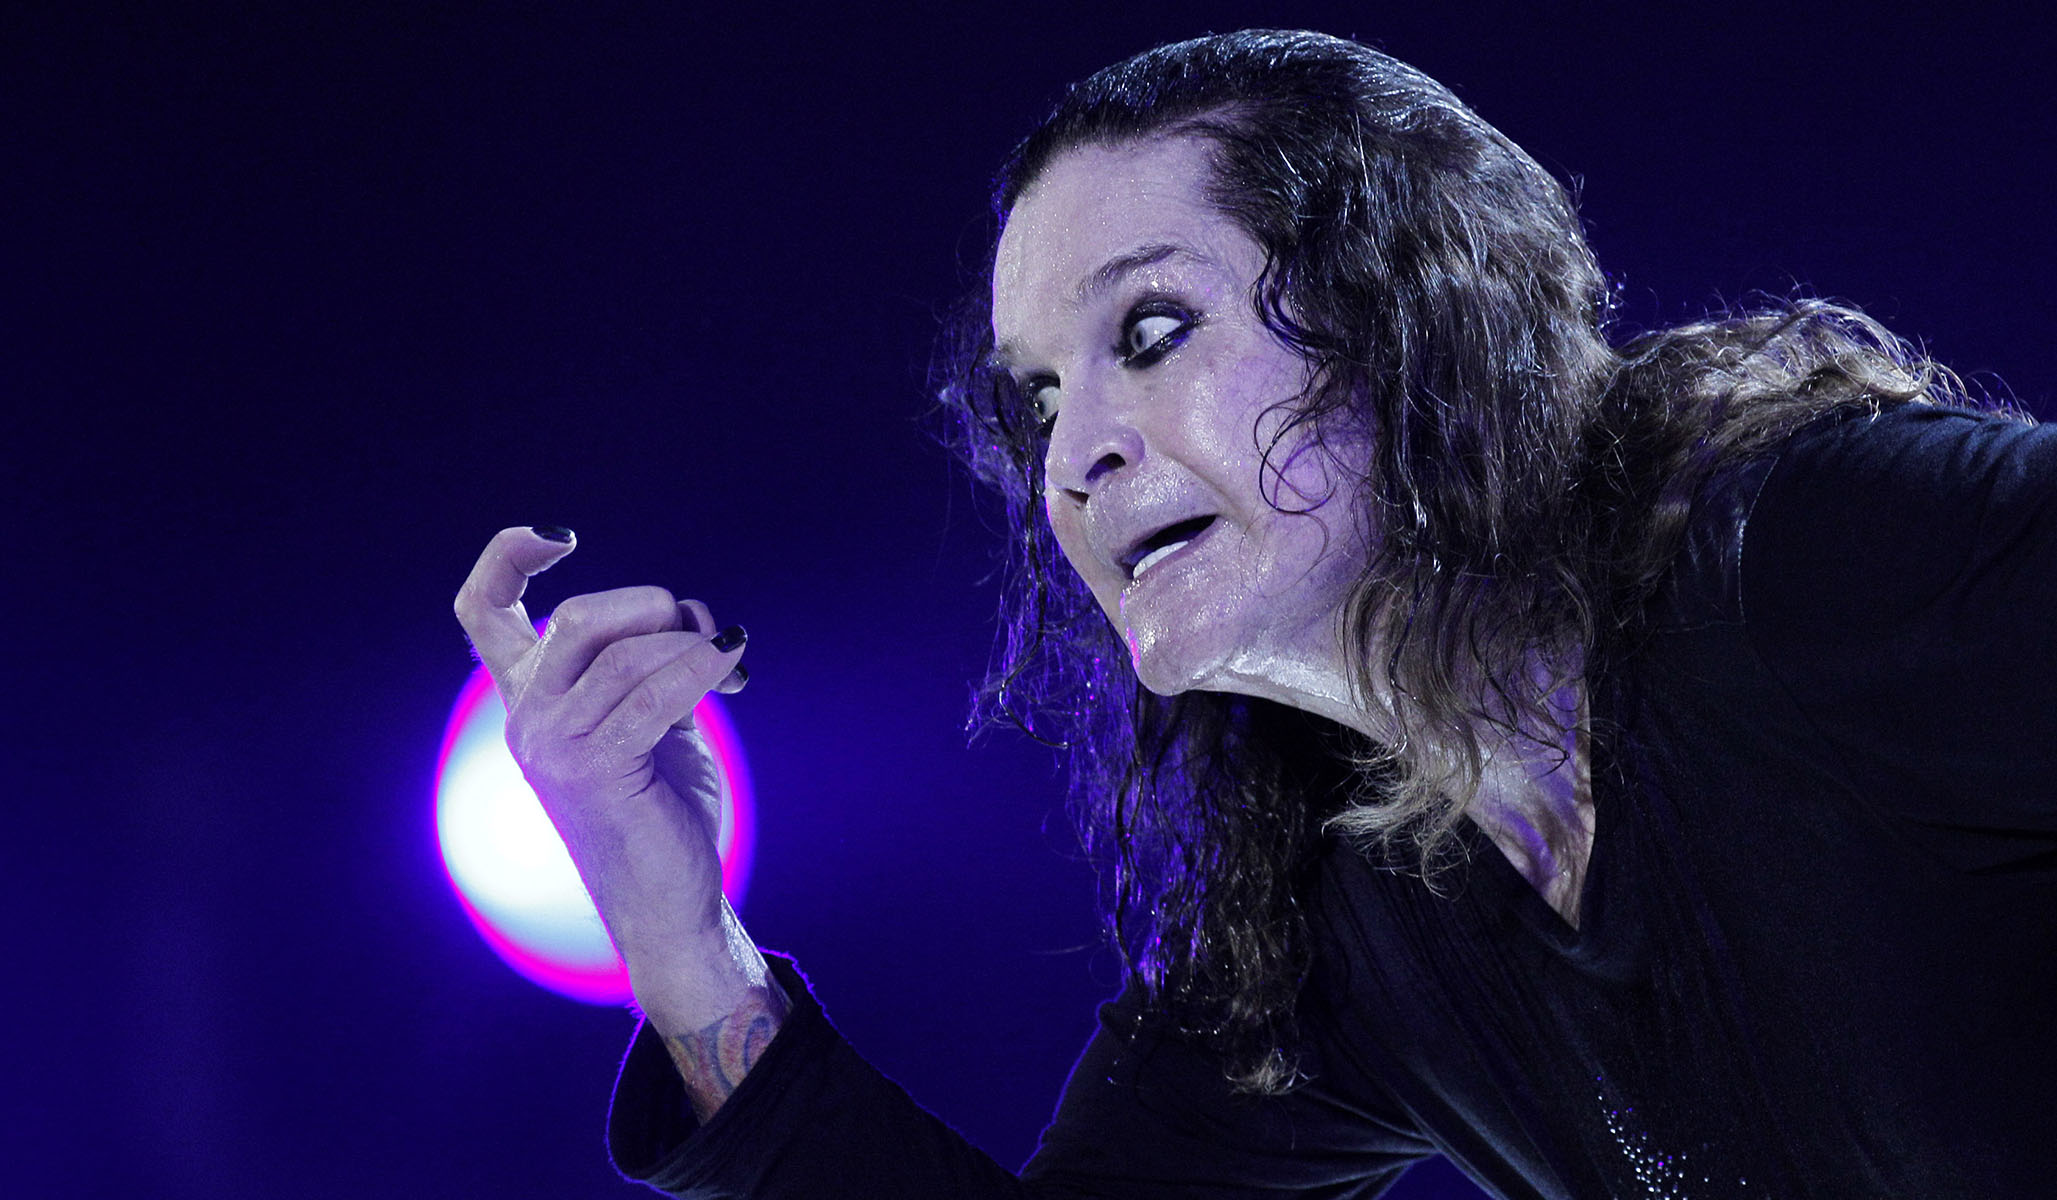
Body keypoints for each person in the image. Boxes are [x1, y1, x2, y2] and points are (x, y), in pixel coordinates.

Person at [454, 29, 2057, 1198]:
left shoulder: (1814, 557)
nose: (1072, 456)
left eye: (1150, 330)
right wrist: (679, 939)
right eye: (1036, 402)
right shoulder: (1342, 921)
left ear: (1406, 312)